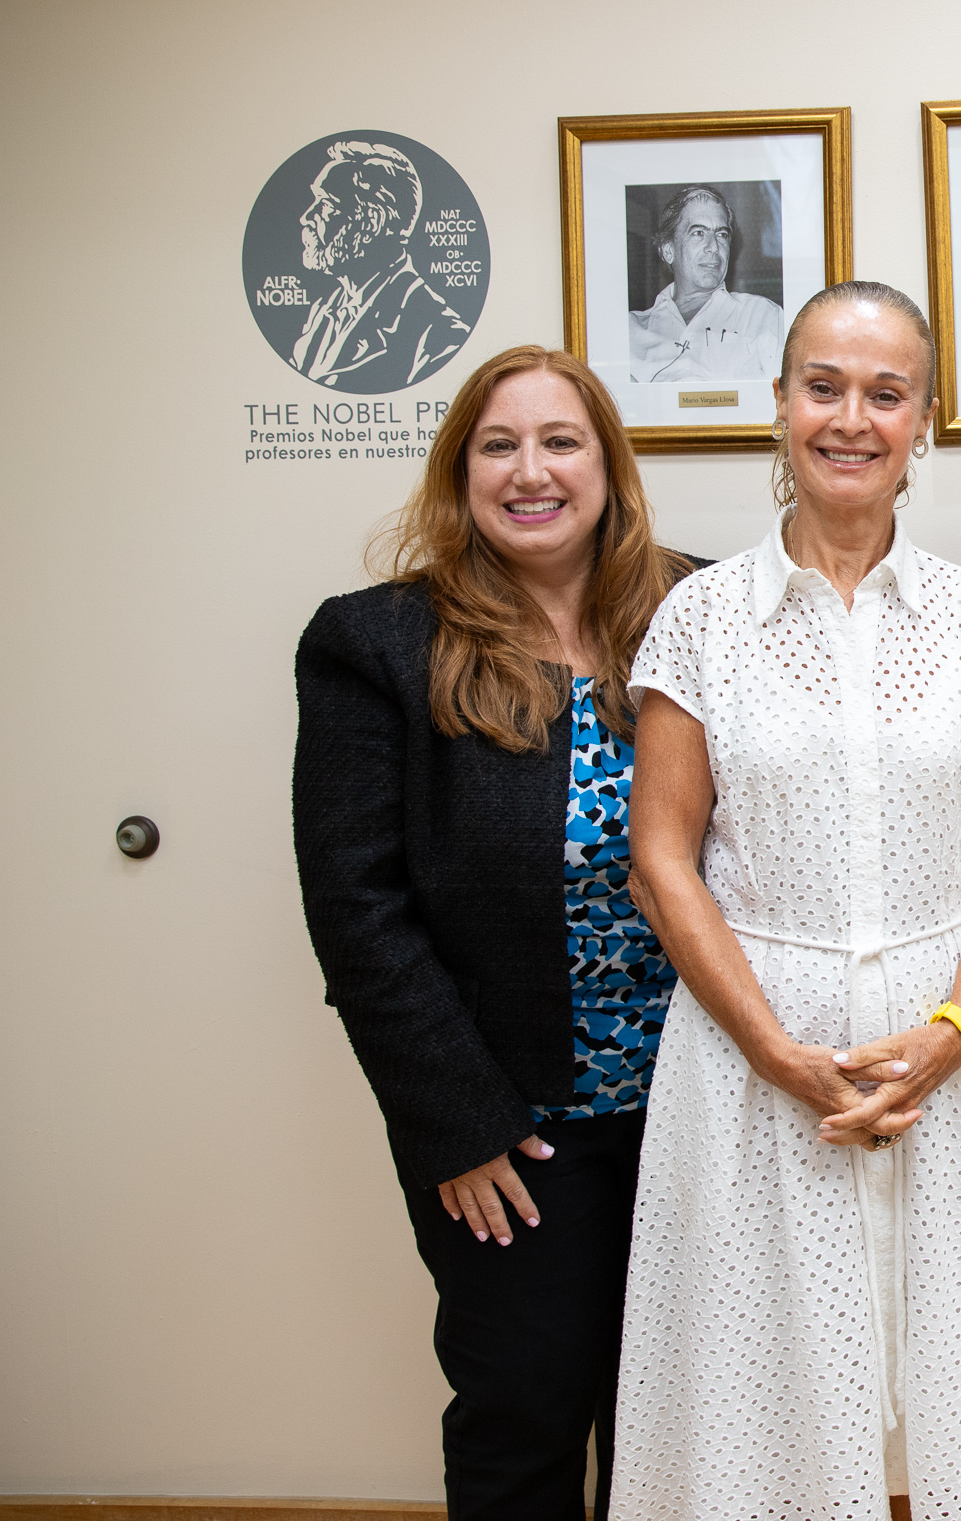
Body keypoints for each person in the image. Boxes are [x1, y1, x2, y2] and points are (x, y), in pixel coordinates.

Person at [612, 280, 961, 1517]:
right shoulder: (699, 620)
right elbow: (663, 856)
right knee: (764, 1390)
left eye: (885, 393)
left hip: (955, 1052)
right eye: (823, 386)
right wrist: (775, 1049)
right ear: (779, 404)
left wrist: (954, 1031)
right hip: (753, 1053)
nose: (851, 417)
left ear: (922, 420)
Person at [293, 344, 698, 1520]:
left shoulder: (697, 610)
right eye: (499, 444)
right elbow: (357, 911)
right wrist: (457, 1122)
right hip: (512, 1133)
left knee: (678, 1423)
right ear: (459, 469)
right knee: (521, 1413)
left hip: (701, 1110)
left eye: (561, 441)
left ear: (609, 467)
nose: (532, 470)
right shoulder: (377, 642)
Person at [290, 138, 472, 391]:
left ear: (371, 222)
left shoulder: (438, 333)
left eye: (326, 204)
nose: (307, 217)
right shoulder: (324, 312)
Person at [627, 184, 786, 382]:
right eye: (698, 233)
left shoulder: (762, 315)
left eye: (722, 234)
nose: (714, 247)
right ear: (668, 251)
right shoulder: (630, 330)